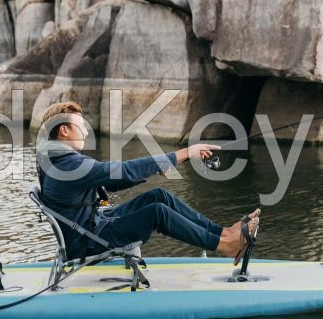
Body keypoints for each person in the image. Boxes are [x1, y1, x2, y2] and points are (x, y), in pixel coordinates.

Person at [35, 101, 259, 263]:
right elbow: (122, 171)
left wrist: (158, 168)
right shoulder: (68, 165)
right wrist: (185, 153)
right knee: (156, 213)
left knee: (158, 195)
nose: (85, 131)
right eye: (80, 126)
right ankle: (226, 246)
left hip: (91, 227)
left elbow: (110, 183)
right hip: (89, 240)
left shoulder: (58, 159)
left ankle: (223, 233)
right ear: (64, 130)